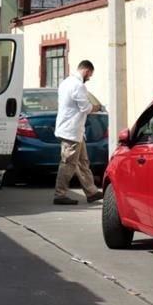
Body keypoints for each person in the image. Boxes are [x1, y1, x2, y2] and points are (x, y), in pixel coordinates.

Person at [53, 60, 104, 205]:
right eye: (90, 75)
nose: (89, 78)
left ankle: (91, 192)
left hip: (74, 131)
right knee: (68, 164)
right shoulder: (78, 85)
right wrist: (97, 107)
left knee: (83, 162)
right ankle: (60, 194)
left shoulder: (66, 82)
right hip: (72, 131)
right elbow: (85, 108)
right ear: (87, 71)